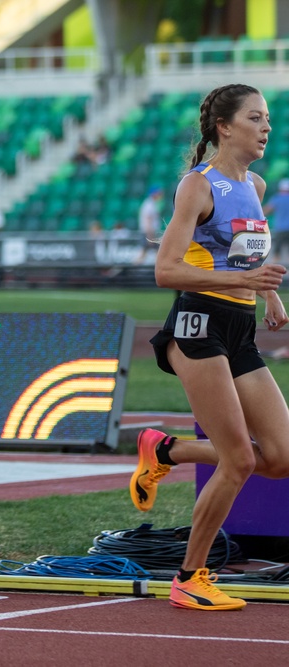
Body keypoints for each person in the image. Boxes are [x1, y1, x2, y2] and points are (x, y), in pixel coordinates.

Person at [129, 83, 289, 611]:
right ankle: (189, 578)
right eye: (255, 118)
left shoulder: (256, 184)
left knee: (281, 457)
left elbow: (244, 257)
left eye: (267, 118)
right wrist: (239, 281)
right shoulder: (198, 187)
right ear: (225, 126)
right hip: (198, 324)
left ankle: (165, 450)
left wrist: (264, 294)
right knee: (239, 459)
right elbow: (165, 270)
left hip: (240, 327)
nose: (266, 126)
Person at [134, 185, 164, 264]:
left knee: (152, 252)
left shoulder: (151, 203)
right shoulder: (149, 205)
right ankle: (132, 268)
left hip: (150, 232)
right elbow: (148, 221)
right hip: (149, 232)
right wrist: (150, 235)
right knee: (145, 252)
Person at [263, 178, 289, 263]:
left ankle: (274, 266)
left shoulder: (277, 198)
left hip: (280, 228)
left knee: (277, 251)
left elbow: (266, 211)